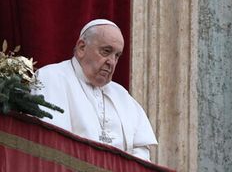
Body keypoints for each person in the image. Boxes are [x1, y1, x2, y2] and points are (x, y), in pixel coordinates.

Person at [32, 19, 157, 160]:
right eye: (106, 51)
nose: (111, 62)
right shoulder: (51, 78)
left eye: (117, 55)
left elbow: (142, 152)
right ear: (81, 48)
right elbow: (53, 144)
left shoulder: (122, 95)